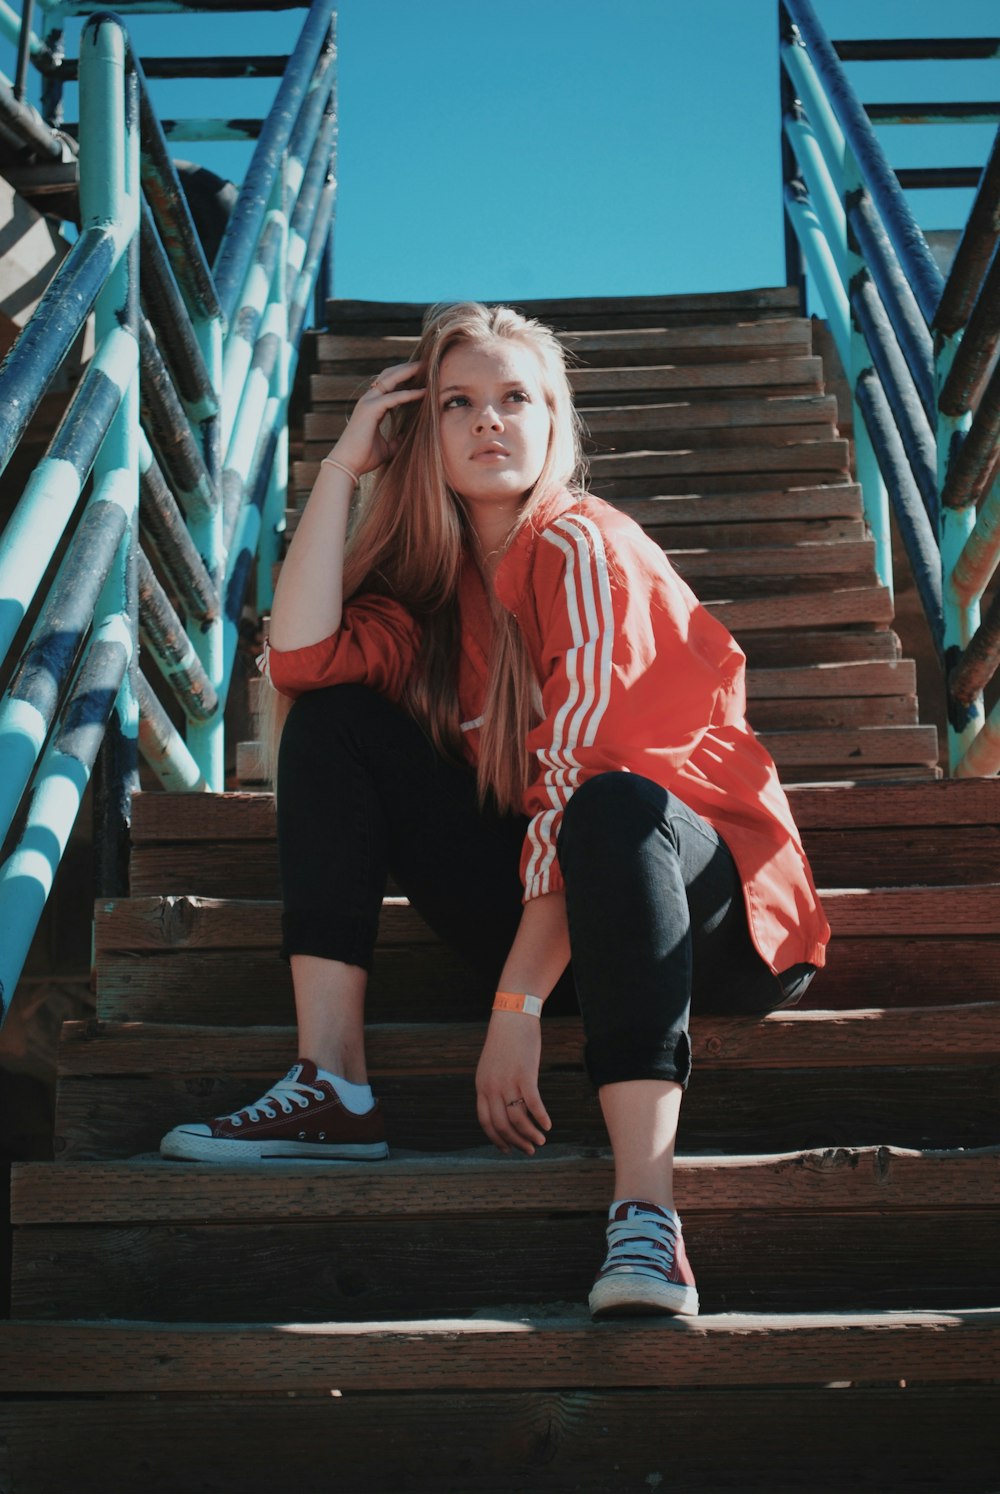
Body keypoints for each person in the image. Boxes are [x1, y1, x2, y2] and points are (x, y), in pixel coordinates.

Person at [161, 301, 830, 1319]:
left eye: (517, 398)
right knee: (333, 719)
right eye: (459, 403)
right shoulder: (429, 600)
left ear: (555, 421)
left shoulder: (586, 546)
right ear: (420, 434)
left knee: (607, 807)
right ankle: (332, 1085)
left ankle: (646, 1216)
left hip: (708, 923)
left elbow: (588, 783)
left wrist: (513, 1011)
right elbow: (296, 661)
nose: (489, 422)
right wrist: (343, 469)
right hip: (561, 924)